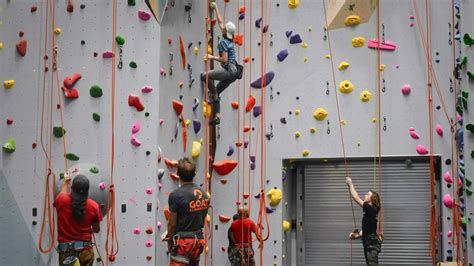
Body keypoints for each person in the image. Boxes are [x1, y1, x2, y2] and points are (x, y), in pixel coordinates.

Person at [162, 157, 210, 266]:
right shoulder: (204, 195)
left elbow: (172, 224)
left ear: (178, 173)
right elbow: (199, 217)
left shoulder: (176, 195)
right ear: (194, 174)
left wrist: (168, 235)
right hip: (197, 242)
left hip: (183, 243)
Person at [201, 1, 239, 125]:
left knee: (204, 76)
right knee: (216, 92)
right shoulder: (231, 38)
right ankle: (217, 117)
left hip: (229, 70)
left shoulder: (224, 42)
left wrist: (212, 56)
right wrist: (216, 7)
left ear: (225, 31)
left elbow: (224, 60)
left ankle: (214, 96)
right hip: (234, 73)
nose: (222, 27)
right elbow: (221, 22)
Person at [54, 174, 102, 266]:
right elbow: (96, 229)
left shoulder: (61, 200)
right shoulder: (94, 206)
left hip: (66, 253)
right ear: (87, 191)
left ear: (72, 188)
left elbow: (62, 194)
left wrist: (65, 182)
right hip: (85, 251)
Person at [346, 177, 382, 266]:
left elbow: (355, 198)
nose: (365, 195)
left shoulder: (372, 209)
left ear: (372, 198)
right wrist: (357, 235)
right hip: (368, 246)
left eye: (367, 194)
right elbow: (368, 230)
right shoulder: (370, 212)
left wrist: (350, 184)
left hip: (372, 247)